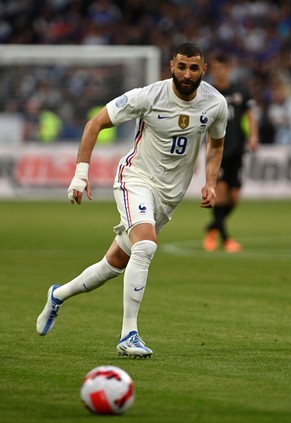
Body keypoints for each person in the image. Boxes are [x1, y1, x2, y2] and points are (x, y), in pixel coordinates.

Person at [36, 42, 228, 358]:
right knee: (146, 245)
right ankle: (129, 335)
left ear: (203, 70)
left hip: (169, 197)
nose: (187, 73)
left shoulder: (215, 104)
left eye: (194, 68)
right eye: (182, 66)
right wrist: (80, 175)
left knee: (115, 263)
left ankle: (58, 294)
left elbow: (216, 144)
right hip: (135, 180)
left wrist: (210, 182)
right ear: (171, 66)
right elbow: (95, 123)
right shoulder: (148, 96)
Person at [202, 54, 259, 253]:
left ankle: (212, 227)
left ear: (228, 68)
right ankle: (225, 239)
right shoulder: (208, 93)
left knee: (234, 197)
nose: (218, 72)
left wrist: (253, 136)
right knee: (221, 192)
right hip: (218, 149)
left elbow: (250, 115)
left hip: (238, 148)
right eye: (215, 68)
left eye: (221, 68)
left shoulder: (240, 90)